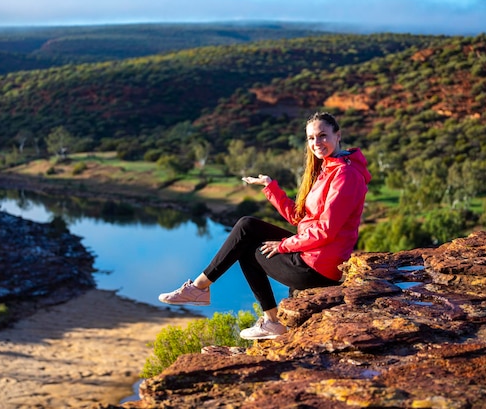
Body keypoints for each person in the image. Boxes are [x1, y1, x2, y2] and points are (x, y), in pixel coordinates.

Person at [158, 112, 371, 340]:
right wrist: (271, 188)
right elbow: (299, 219)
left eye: (322, 136)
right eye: (311, 138)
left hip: (319, 267)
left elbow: (326, 231)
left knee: (246, 250)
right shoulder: (327, 169)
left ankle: (221, 298)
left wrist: (284, 246)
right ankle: (203, 290)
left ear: (338, 135)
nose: (316, 143)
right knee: (247, 226)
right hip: (313, 253)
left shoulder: (345, 174)